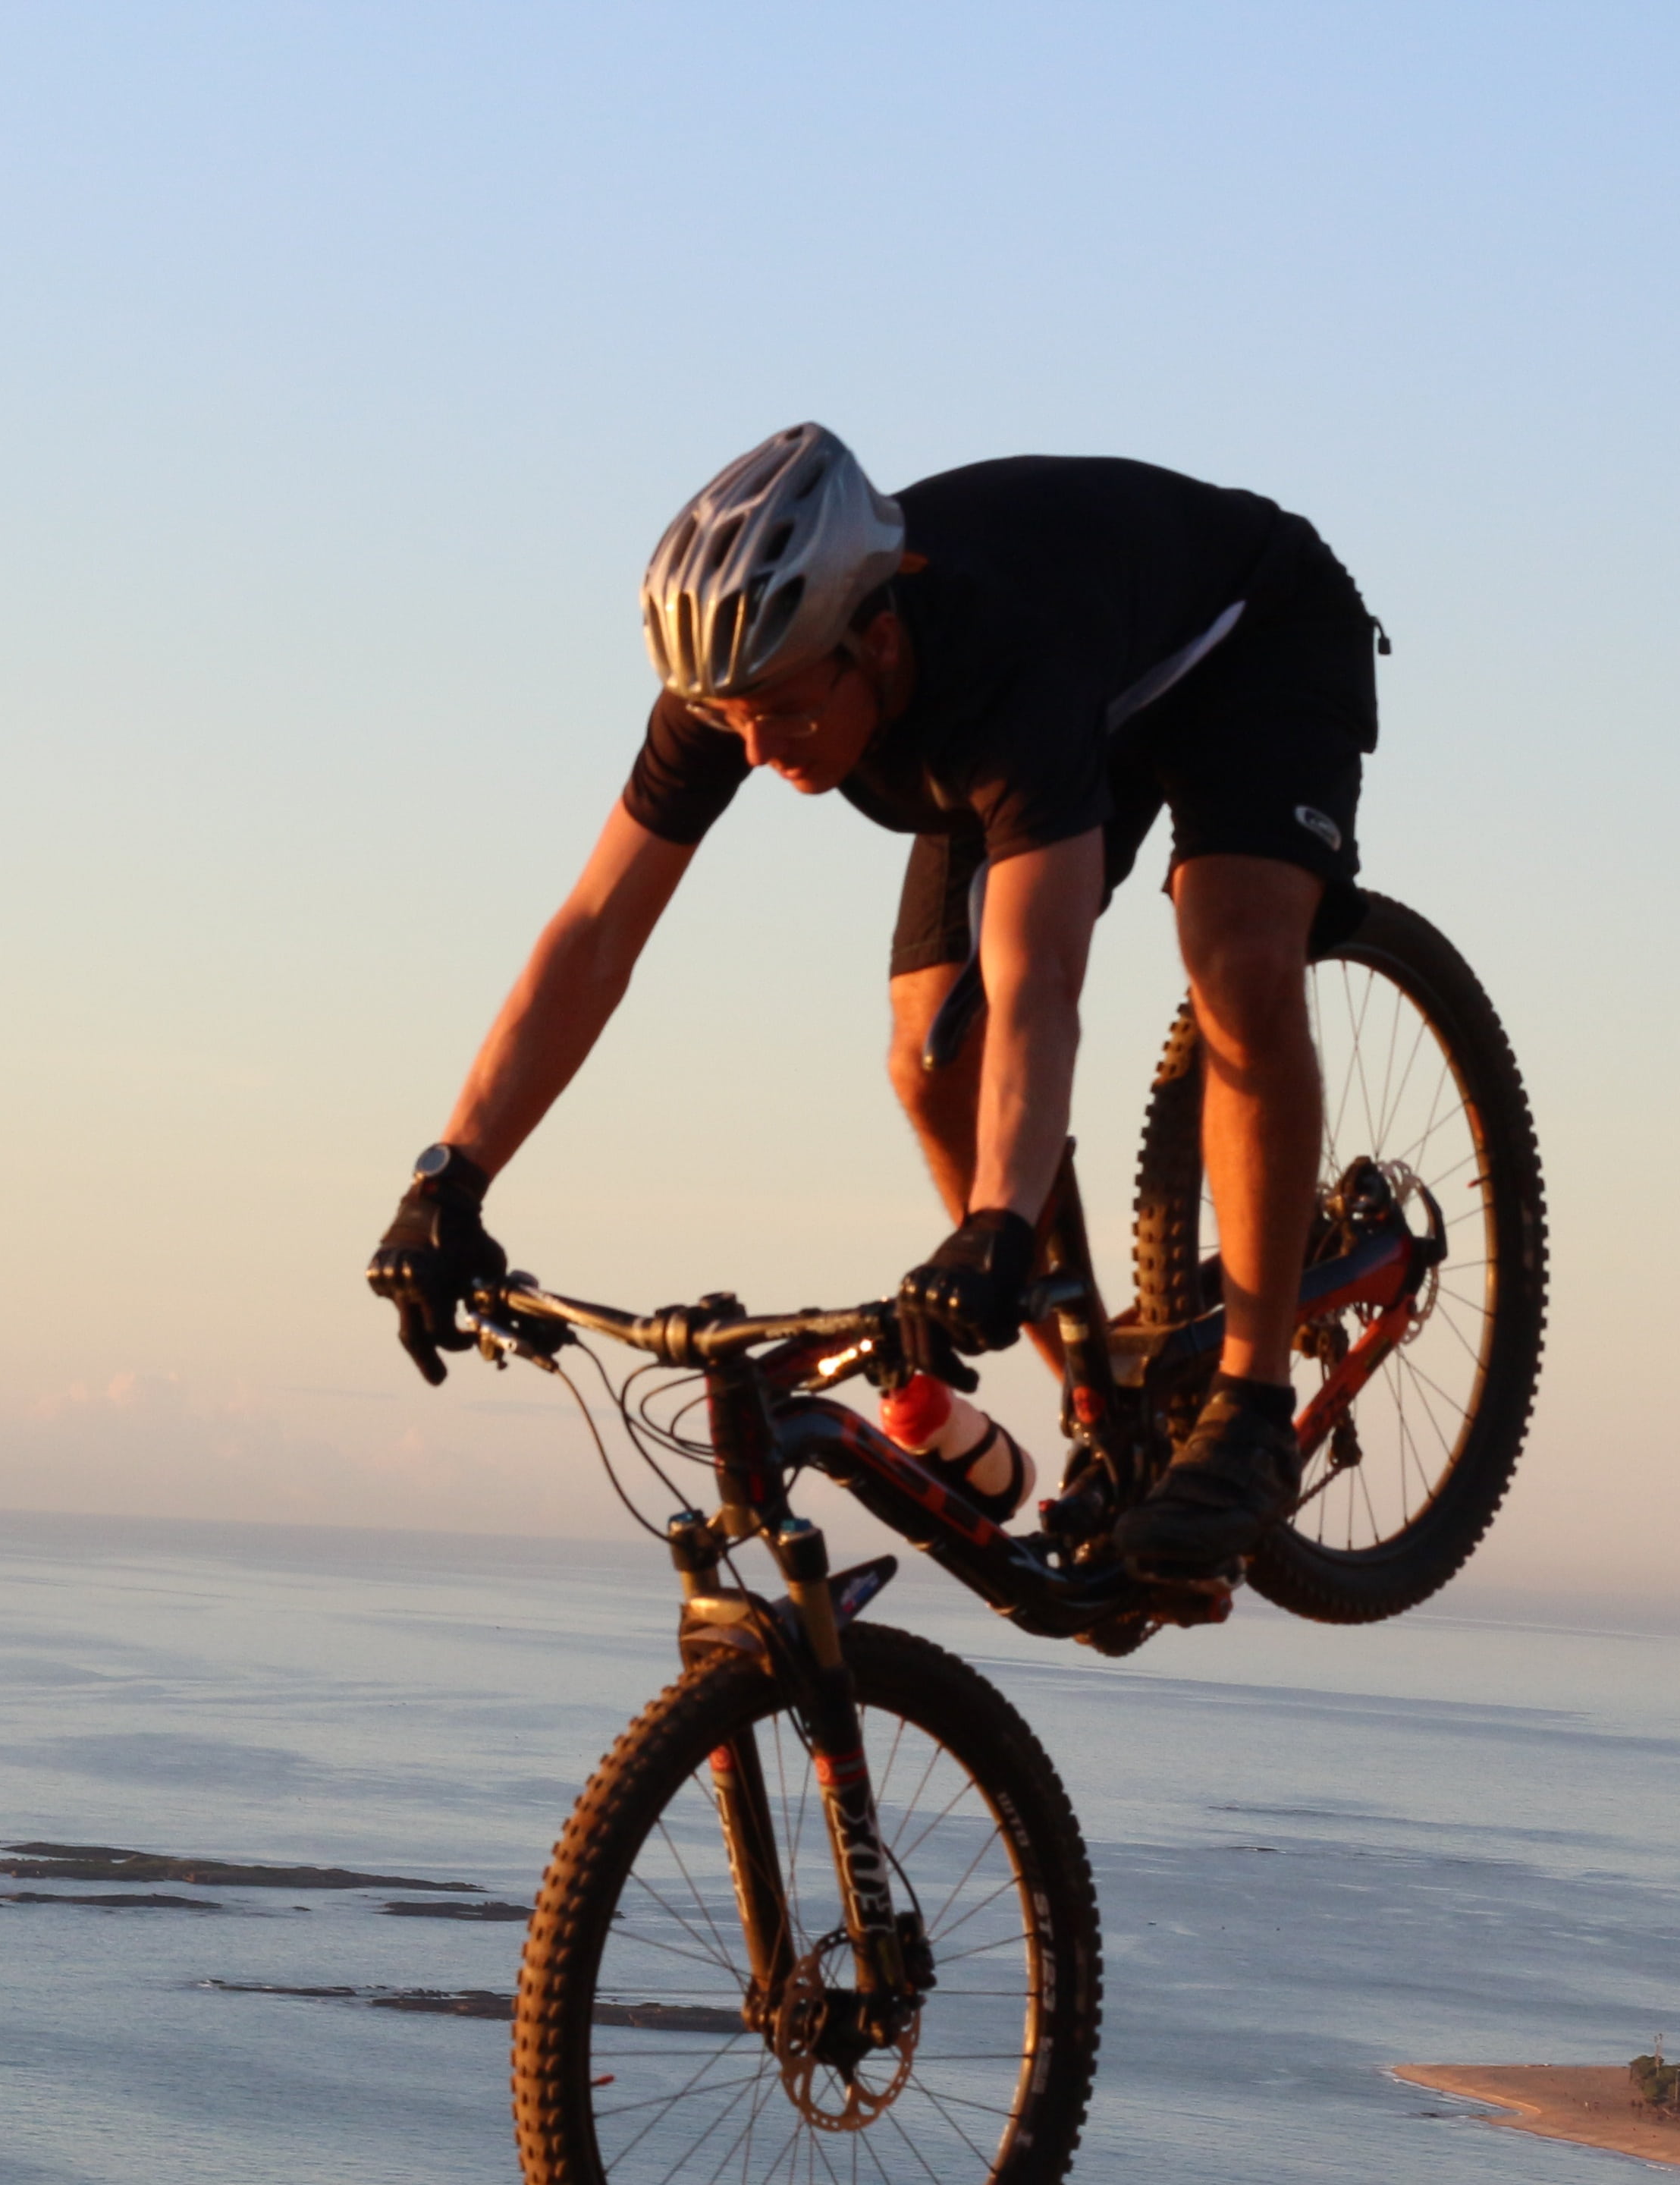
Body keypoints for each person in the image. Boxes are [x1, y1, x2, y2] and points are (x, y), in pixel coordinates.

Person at [366, 424, 1380, 1577]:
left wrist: (999, 1222)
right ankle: (1109, 1408)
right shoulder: (739, 687)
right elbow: (594, 935)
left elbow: (1039, 984)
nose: (757, 750)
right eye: (733, 719)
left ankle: (1250, 1410)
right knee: (927, 1057)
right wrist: (450, 1178)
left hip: (1251, 641)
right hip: (1062, 680)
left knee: (1236, 958)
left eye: (788, 713)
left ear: (878, 640)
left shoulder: (1008, 663)